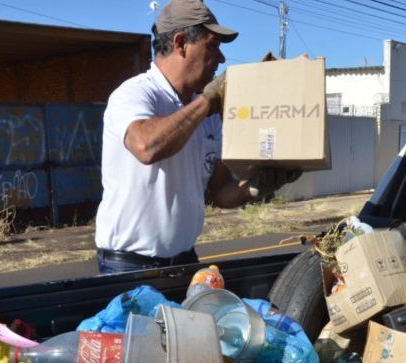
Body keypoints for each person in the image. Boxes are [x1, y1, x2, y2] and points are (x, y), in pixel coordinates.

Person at [95, 0, 300, 274]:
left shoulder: (208, 114)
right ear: (180, 43)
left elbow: (220, 191)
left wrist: (256, 187)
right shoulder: (135, 94)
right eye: (213, 46)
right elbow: (146, 146)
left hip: (184, 260)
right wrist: (206, 102)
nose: (222, 58)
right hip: (129, 266)